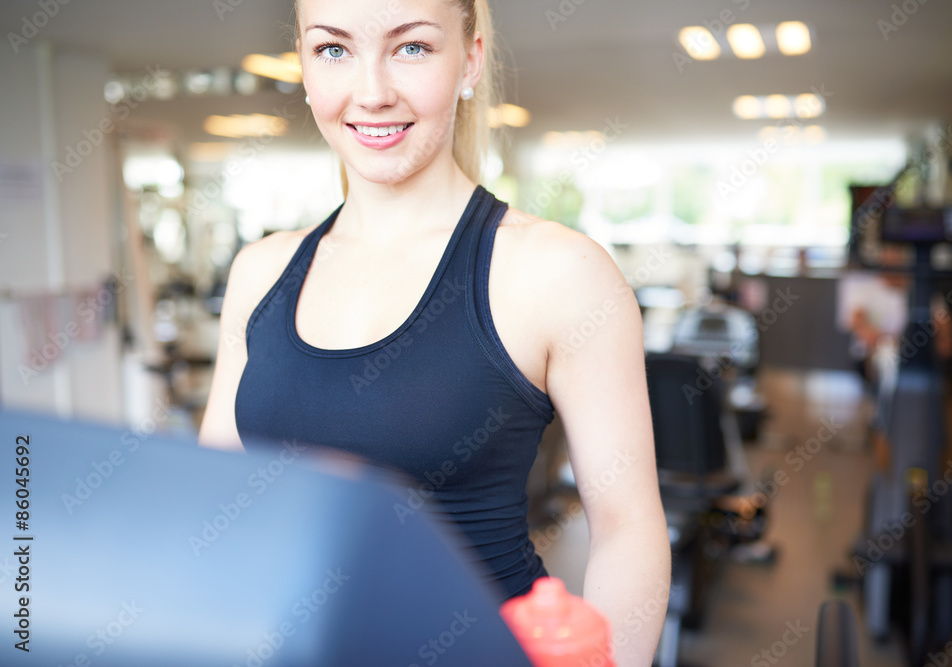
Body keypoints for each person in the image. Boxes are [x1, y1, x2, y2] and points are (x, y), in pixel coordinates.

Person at [198, 0, 670, 663]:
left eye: (411, 48)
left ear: (470, 59)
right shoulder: (260, 272)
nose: (372, 92)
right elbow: (221, 501)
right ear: (304, 67)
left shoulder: (557, 271)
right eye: (334, 49)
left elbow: (627, 526)